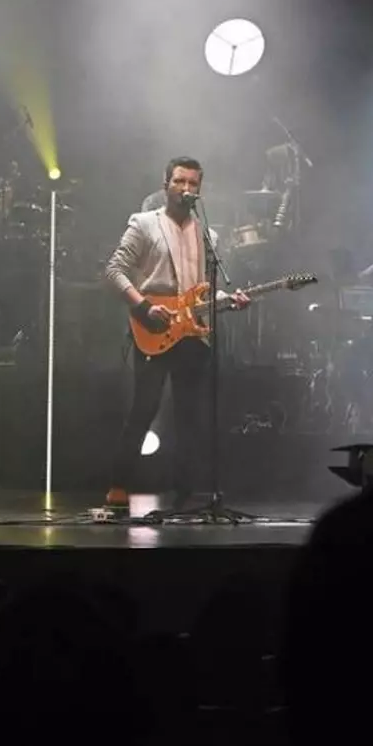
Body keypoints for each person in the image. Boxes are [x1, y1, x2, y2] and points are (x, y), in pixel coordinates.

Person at [103, 157, 248, 512]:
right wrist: (143, 308)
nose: (186, 188)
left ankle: (186, 491)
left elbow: (202, 291)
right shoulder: (144, 224)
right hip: (153, 326)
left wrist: (229, 301)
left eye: (192, 183)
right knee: (144, 407)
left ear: (200, 189)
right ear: (165, 184)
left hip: (191, 332)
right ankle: (119, 484)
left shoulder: (207, 235)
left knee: (190, 415)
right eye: (179, 181)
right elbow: (114, 270)